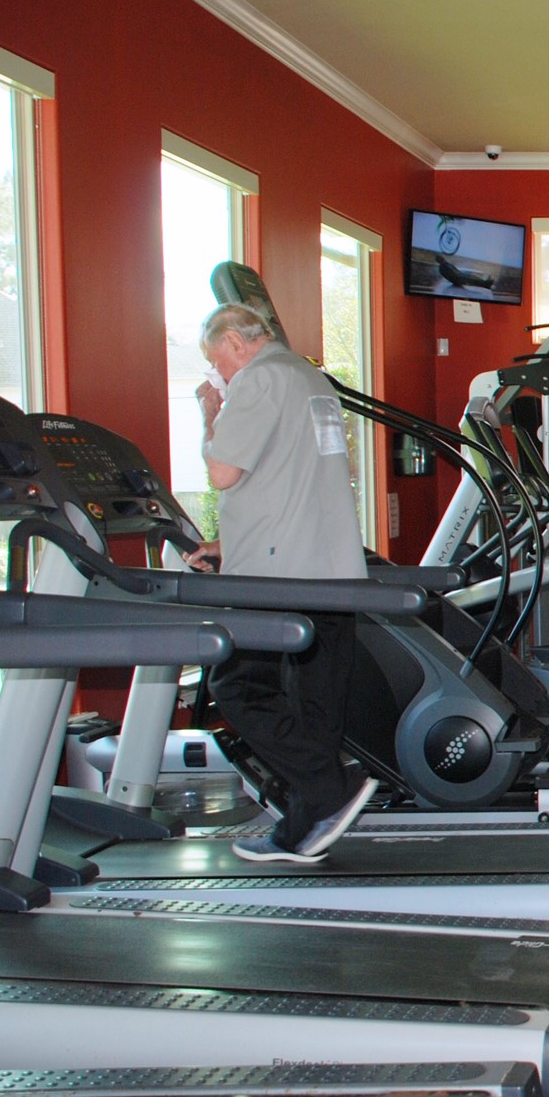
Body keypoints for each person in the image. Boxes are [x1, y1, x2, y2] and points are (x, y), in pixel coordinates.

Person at [189, 303, 375, 864]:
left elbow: (223, 471)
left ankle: (329, 788)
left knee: (236, 685)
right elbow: (294, 478)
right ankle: (304, 824)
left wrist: (210, 415)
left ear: (235, 342)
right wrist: (229, 542)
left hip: (279, 576)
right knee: (315, 703)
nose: (219, 373)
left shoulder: (259, 377)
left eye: (217, 361)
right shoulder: (309, 377)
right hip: (328, 570)